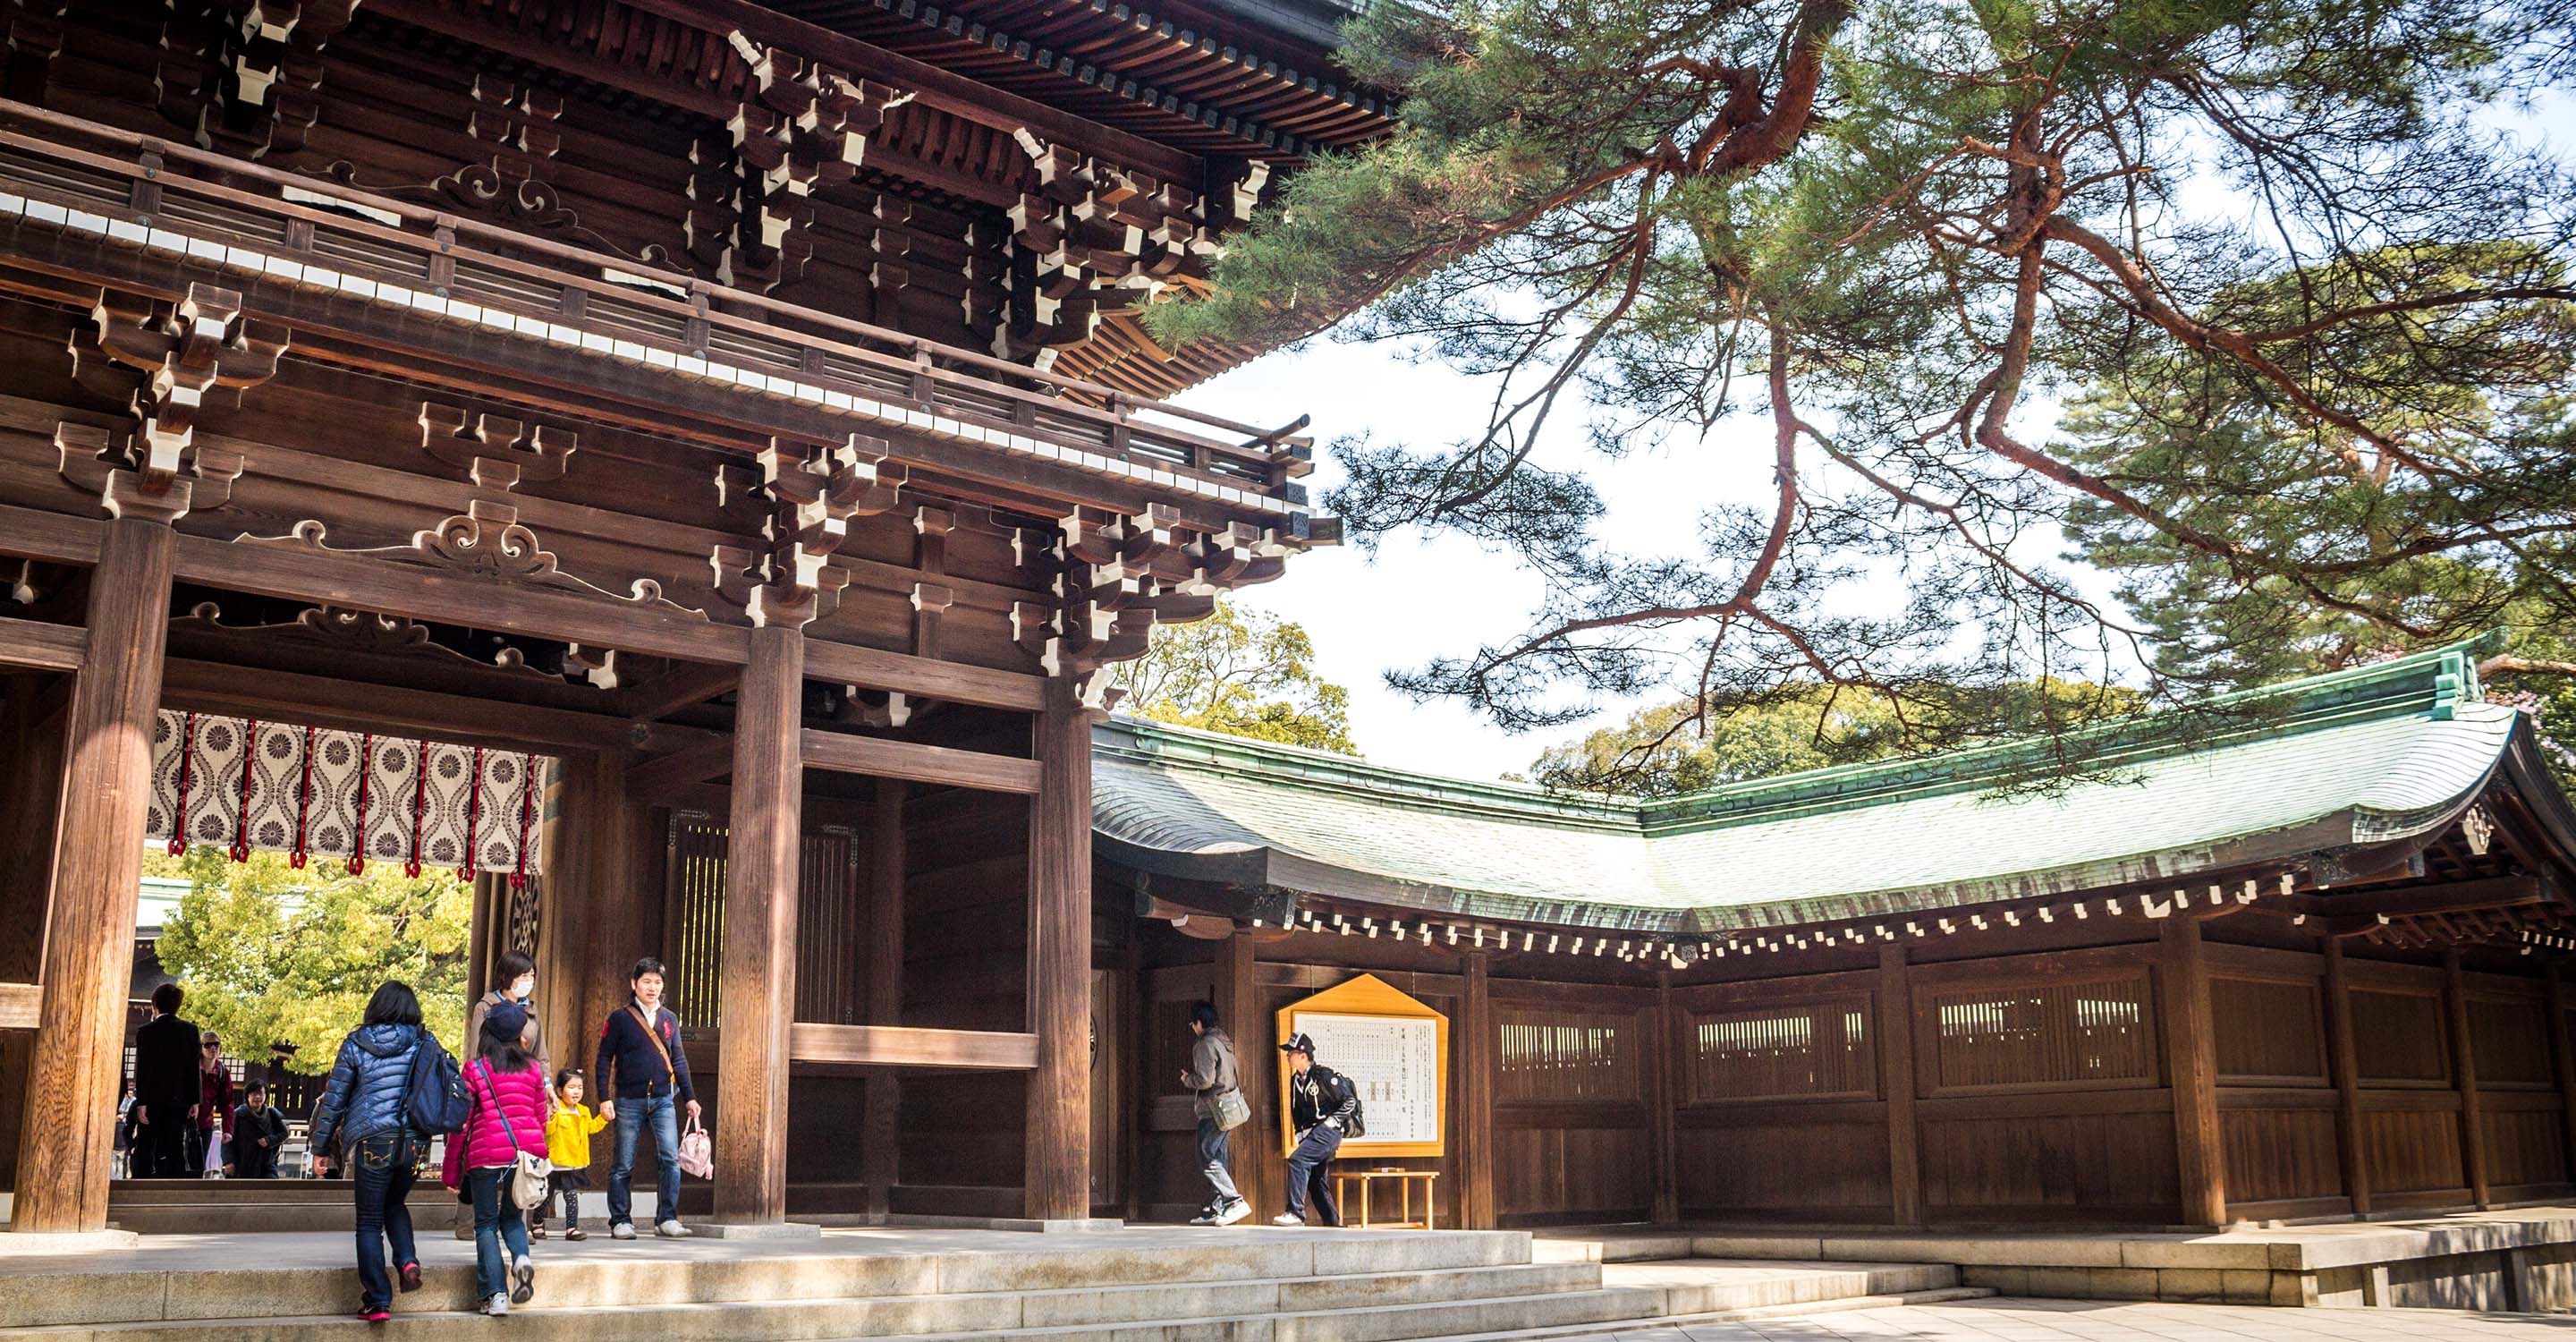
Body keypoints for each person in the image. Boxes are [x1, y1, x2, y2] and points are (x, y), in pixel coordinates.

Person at [308, 981, 432, 1323]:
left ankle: (378, 1300)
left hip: (373, 1139)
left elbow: (335, 1100)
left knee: (368, 1221)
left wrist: (320, 1148)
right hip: (416, 1142)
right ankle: (407, 1260)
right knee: (396, 1203)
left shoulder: (356, 1043)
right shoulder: (423, 1042)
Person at [444, 1002, 549, 1317]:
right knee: (513, 1218)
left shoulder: (475, 1069)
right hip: (523, 1154)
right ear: (521, 1035)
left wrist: (451, 1172)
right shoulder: (532, 1069)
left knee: (486, 1225)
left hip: (487, 1154)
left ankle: (496, 1295)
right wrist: (537, 1153)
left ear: (487, 1032)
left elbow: (461, 1125)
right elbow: (540, 1118)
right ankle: (521, 1259)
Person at [595, 956, 699, 1239]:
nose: (652, 987)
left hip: (664, 1099)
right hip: (629, 1099)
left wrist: (689, 1097)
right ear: (634, 984)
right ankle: (620, 1220)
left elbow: (678, 1058)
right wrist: (604, 1097)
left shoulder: (669, 1019)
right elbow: (604, 1057)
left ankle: (667, 1218)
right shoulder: (619, 1018)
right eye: (646, 982)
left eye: (657, 982)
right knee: (623, 1163)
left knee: (670, 1159)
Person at [455, 951, 548, 1239]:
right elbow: (476, 1049)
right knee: (478, 1153)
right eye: (523, 976)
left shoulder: (532, 1011)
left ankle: (515, 1221)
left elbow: (540, 1055)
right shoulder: (486, 1007)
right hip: (489, 1084)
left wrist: (545, 1085)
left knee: (522, 1158)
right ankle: (467, 1220)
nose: (528, 981)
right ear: (507, 977)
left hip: (521, 1086)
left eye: (531, 976)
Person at [1271, 1032, 1356, 1227]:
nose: (1287, 1056)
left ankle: (1295, 1213)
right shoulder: (1295, 1080)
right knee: (1316, 1180)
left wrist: (1332, 1121)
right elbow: (1297, 1112)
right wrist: (1301, 1137)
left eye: (1290, 1052)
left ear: (1303, 1055)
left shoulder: (1323, 1076)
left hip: (1327, 1132)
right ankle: (1333, 1224)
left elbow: (1349, 1100)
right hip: (1311, 1135)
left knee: (1298, 1161)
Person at [1180, 1002, 1250, 1226]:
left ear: (1199, 1023)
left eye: (1193, 1023)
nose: (1193, 1028)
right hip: (1228, 1108)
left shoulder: (1205, 1044)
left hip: (1213, 1109)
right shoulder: (1224, 1042)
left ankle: (1233, 1200)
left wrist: (1187, 1079)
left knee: (1207, 1158)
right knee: (1219, 1157)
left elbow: (1206, 1079)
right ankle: (1215, 1208)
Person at [131, 982, 199, 1178]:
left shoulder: (146, 1031)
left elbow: (143, 1069)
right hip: (180, 1099)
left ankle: (140, 1184)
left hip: (152, 1099)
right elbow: (193, 1068)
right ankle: (175, 1187)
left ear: (155, 1005)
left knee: (146, 1144)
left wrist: (141, 1101)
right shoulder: (190, 1030)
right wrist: (195, 1100)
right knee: (175, 1145)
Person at [534, 1068, 607, 1240]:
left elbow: (590, 1128)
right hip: (555, 1163)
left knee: (571, 1196)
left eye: (580, 1087)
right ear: (559, 1091)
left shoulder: (584, 1111)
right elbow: (548, 1132)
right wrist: (550, 1118)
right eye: (571, 1087)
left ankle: (571, 1228)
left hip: (573, 1163)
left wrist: (603, 1119)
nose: (576, 1091)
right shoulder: (556, 1109)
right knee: (546, 1195)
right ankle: (537, 1224)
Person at [194, 1031, 235, 1176]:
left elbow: (227, 1103)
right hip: (185, 1123)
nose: (213, 1048)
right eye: (208, 1045)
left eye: (216, 1045)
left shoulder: (222, 1072)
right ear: (200, 1048)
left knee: (200, 1165)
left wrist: (228, 1129)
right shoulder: (191, 1068)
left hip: (206, 1124)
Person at [228, 1082, 289, 1179]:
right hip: (242, 1163)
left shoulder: (272, 1114)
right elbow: (228, 1139)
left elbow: (284, 1133)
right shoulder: (238, 1115)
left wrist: (269, 1140)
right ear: (247, 1096)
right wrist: (229, 1161)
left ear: (266, 1096)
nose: (257, 1097)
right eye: (253, 1094)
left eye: (261, 1094)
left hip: (266, 1163)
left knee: (271, 1189)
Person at [113, 1078, 136, 1180]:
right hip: (122, 1129)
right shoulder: (124, 1100)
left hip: (127, 1128)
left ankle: (122, 1177)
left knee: (122, 1161)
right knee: (115, 1162)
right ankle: (115, 1179)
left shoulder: (134, 1101)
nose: (130, 1093)